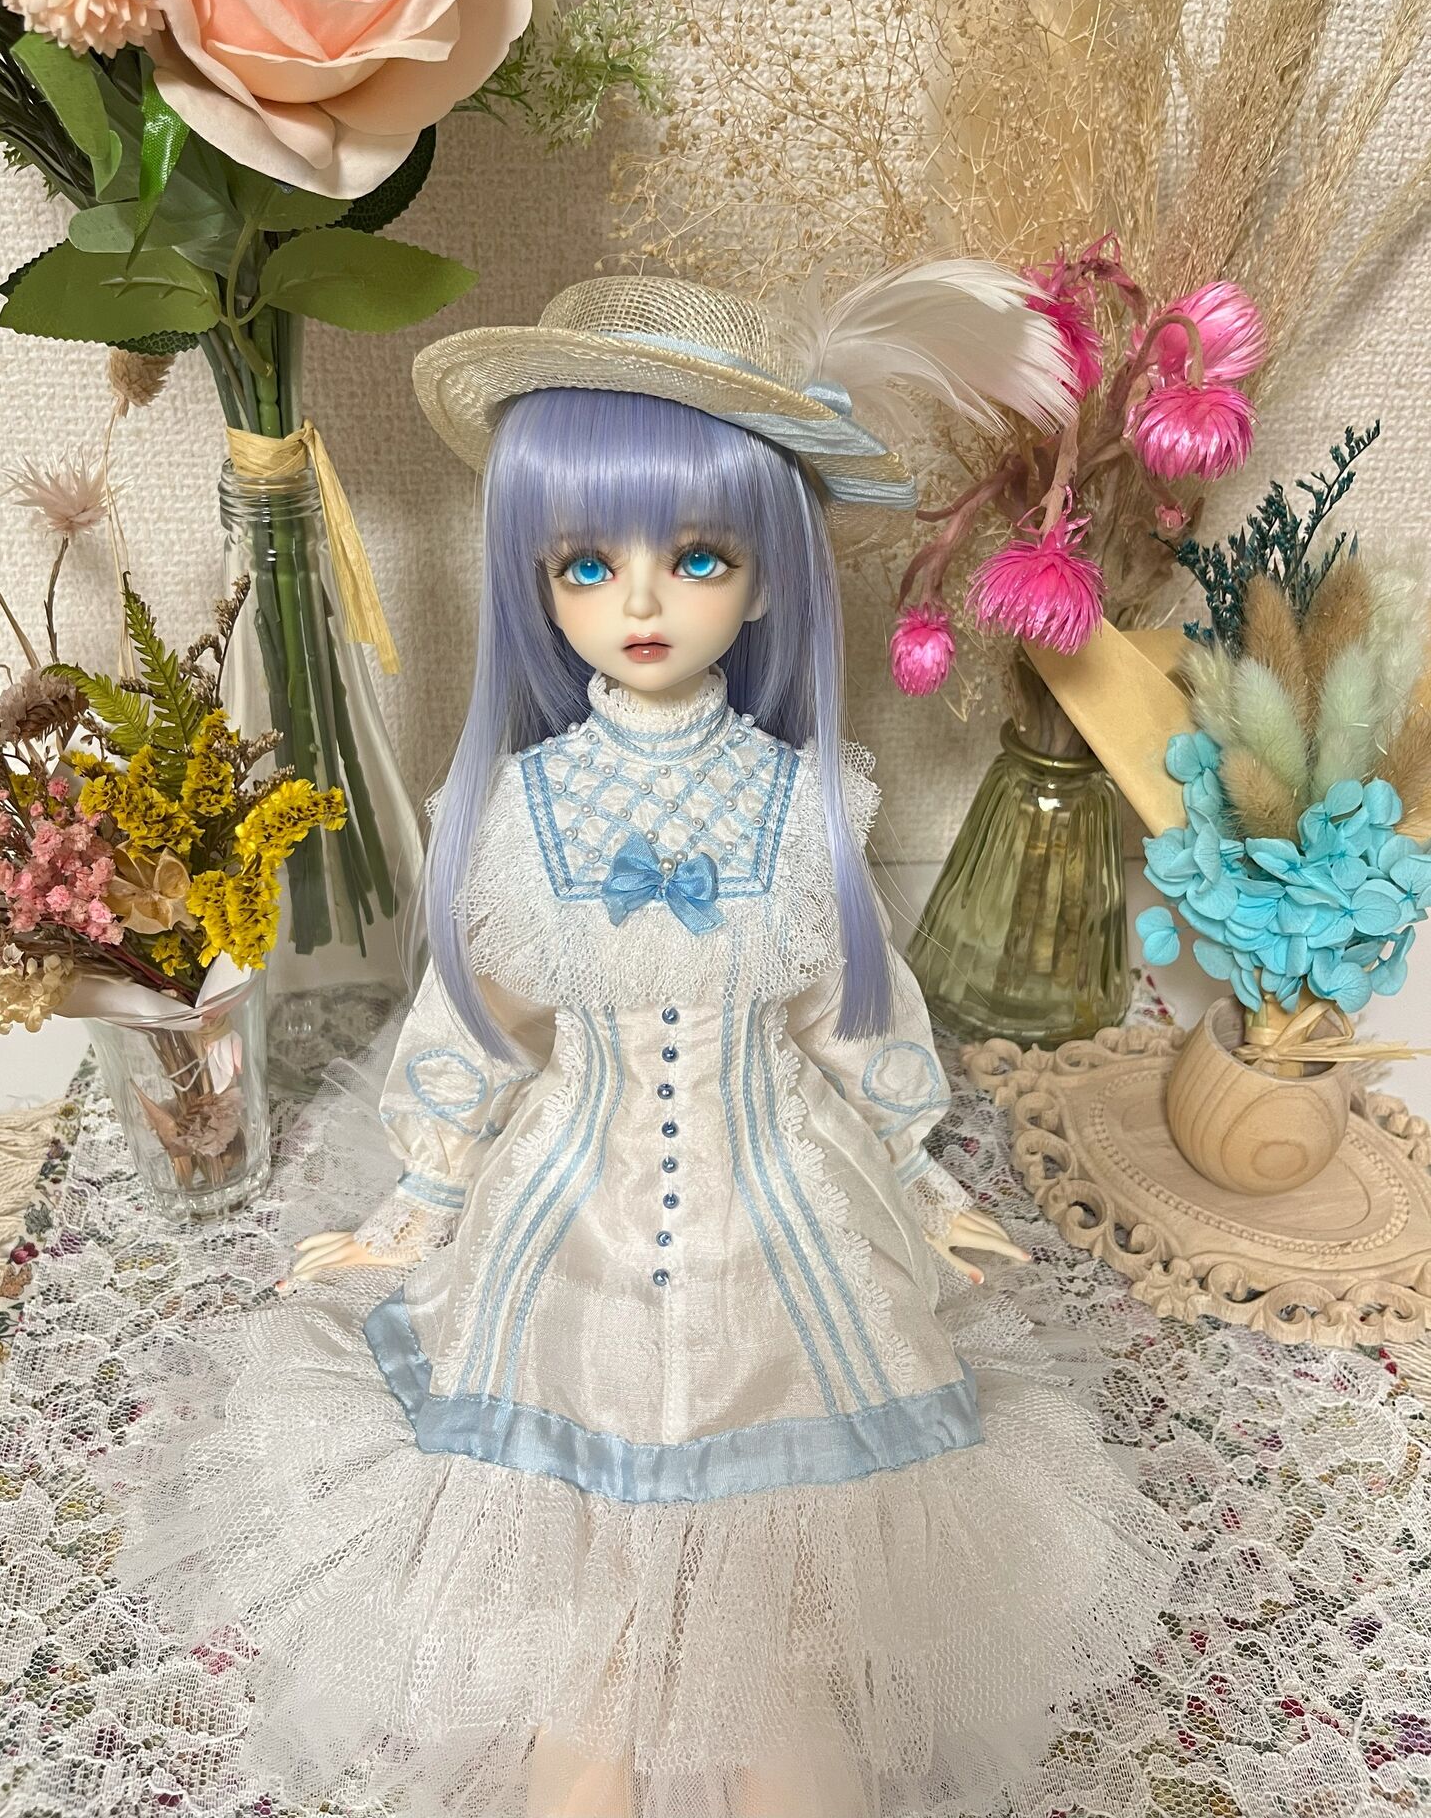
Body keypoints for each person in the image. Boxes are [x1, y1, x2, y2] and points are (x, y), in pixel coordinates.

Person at [109, 268, 1181, 1818]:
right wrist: (420, 1194)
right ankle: (606, 1697)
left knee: (794, 1635)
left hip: (784, 1220)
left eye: (697, 557)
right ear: (536, 577)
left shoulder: (805, 805)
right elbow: (478, 1019)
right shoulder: (521, 811)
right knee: (587, 1648)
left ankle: (772, 1705)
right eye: (586, 563)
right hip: (573, 1224)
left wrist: (918, 1176)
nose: (642, 604)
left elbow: (853, 1011)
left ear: (767, 575)